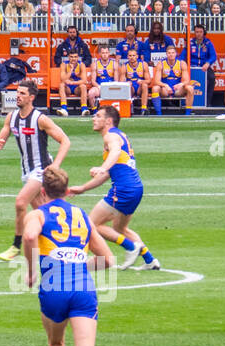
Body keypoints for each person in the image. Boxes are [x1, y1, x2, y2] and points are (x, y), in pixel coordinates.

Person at [22, 164, 115, 346]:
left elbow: (28, 236)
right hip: (83, 287)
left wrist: (30, 271)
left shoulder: (38, 213)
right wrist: (80, 262)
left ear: (42, 191)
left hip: (53, 287)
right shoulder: (83, 216)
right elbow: (108, 260)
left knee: (56, 344)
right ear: (66, 190)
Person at [68, 106, 160, 270]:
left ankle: (131, 248)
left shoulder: (110, 136)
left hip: (123, 189)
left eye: (97, 116)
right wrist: (82, 188)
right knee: (120, 228)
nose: (93, 119)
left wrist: (102, 167)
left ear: (108, 121)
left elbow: (115, 153)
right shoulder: (120, 135)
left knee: (92, 225)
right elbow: (107, 174)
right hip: (135, 188)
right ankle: (150, 260)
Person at [0, 79, 71, 261]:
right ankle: (62, 244)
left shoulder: (40, 119)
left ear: (31, 98)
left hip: (40, 170)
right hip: (26, 170)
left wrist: (56, 165)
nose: (17, 96)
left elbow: (65, 140)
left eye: (22, 94)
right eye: (17, 93)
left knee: (21, 203)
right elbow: (2, 136)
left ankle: (16, 246)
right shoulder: (11, 117)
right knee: (43, 212)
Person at [156, 44, 194, 114]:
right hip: (165, 90)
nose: (171, 55)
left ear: (176, 54)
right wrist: (165, 86)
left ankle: (188, 113)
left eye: (173, 53)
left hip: (177, 90)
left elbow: (187, 80)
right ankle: (158, 113)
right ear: (166, 54)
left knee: (190, 88)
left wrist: (181, 84)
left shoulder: (181, 63)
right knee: (155, 88)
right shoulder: (161, 63)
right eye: (169, 53)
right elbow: (157, 81)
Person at [187, 23, 217, 106]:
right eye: (197, 32)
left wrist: (208, 63)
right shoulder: (190, 43)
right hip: (192, 67)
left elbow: (213, 56)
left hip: (204, 67)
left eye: (200, 32)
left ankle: (208, 102)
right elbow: (183, 56)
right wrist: (184, 65)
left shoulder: (208, 43)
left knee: (212, 78)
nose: (198, 34)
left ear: (204, 32)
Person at [119, 46, 155, 115]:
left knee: (144, 85)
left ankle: (144, 109)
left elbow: (149, 81)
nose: (132, 57)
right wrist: (126, 83)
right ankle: (128, 108)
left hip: (139, 88)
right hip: (131, 88)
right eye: (130, 55)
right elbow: (121, 83)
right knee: (127, 87)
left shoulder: (143, 64)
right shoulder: (124, 66)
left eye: (133, 55)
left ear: (137, 56)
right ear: (127, 57)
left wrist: (142, 81)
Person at [56, 49, 88, 116]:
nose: (73, 59)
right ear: (68, 57)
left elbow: (84, 80)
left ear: (78, 57)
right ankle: (64, 109)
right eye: (71, 57)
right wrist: (70, 71)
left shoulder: (81, 65)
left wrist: (73, 83)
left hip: (77, 88)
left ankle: (84, 109)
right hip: (68, 88)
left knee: (83, 86)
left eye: (75, 57)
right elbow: (63, 79)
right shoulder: (64, 64)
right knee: (61, 85)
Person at [86, 45, 117, 109]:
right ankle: (94, 110)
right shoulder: (95, 64)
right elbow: (93, 81)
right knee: (91, 93)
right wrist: (99, 87)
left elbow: (116, 81)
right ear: (100, 54)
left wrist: (110, 87)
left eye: (106, 53)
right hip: (99, 87)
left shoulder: (114, 64)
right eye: (103, 53)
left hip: (111, 87)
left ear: (109, 53)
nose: (105, 55)